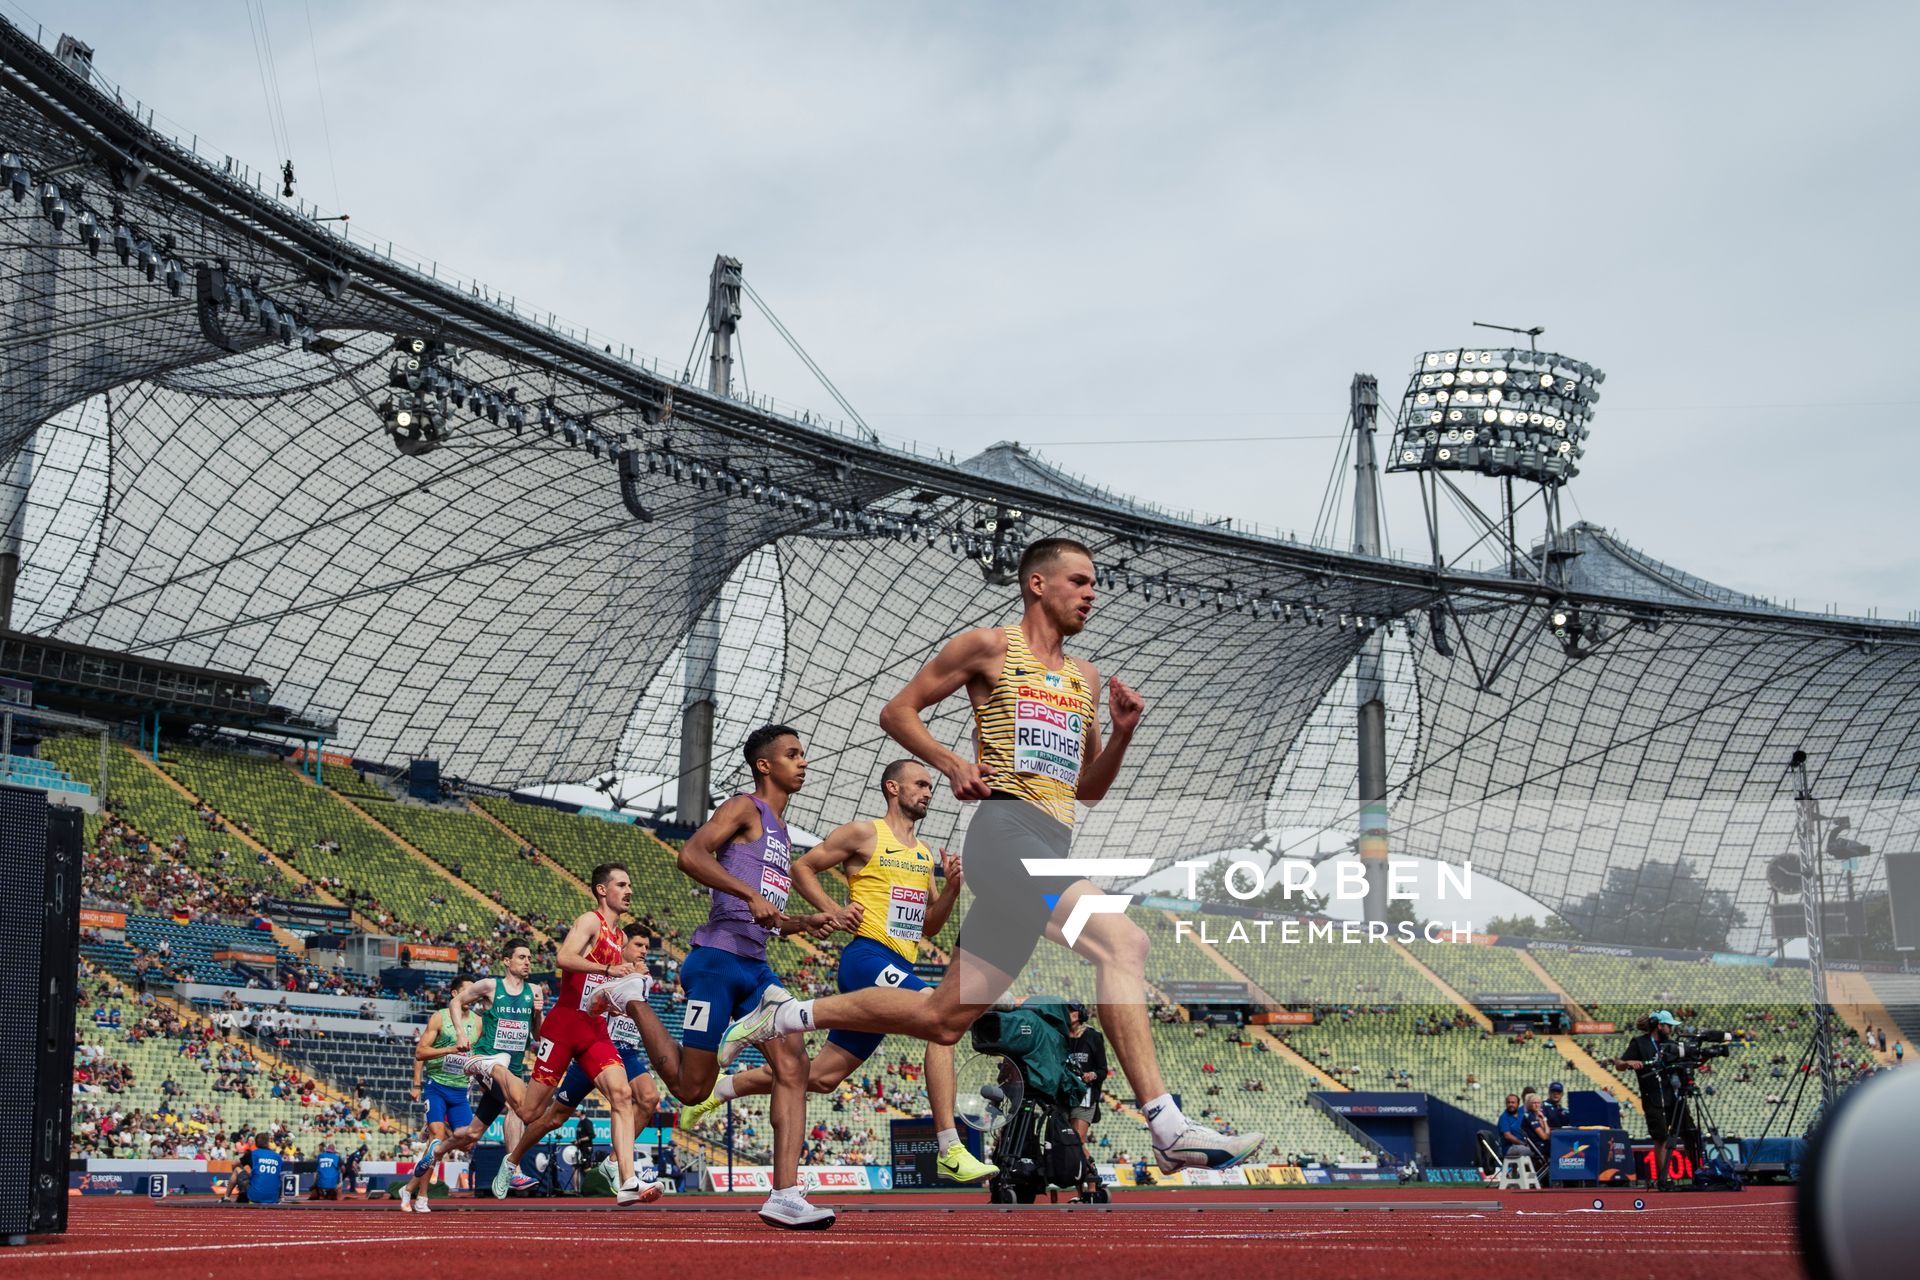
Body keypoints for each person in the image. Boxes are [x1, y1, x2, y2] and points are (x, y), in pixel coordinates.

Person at [719, 539, 1263, 1174]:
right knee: (1124, 943)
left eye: (1095, 584)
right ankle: (1167, 1127)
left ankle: (786, 1014)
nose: (1093, 594)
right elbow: (897, 710)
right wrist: (952, 762)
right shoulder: (989, 647)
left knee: (942, 1019)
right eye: (1081, 581)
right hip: (1005, 835)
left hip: (1050, 842)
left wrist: (1120, 734)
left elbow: (1088, 788)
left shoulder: (1085, 678)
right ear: (1038, 584)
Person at [678, 758, 996, 1185]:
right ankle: (949, 1148)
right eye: (920, 783)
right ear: (893, 788)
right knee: (941, 1018)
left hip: (900, 962)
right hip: (867, 959)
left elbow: (930, 926)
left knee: (821, 1078)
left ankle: (722, 1089)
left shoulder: (923, 856)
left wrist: (952, 889)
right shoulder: (865, 833)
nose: (928, 791)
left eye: (930, 786)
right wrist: (833, 910)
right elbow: (802, 867)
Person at [589, 724, 843, 1230]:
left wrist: (804, 922)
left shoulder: (782, 834)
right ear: (764, 765)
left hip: (755, 966)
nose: (803, 762)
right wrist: (749, 894)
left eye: (803, 755)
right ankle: (633, 998)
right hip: (715, 963)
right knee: (689, 1088)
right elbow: (691, 855)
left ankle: (785, 1194)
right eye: (793, 754)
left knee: (794, 1066)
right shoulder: (743, 806)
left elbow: (765, 915)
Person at [512, 863, 649, 1206]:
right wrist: (608, 969)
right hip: (565, 1023)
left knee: (621, 1094)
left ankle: (627, 1180)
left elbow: (603, 991)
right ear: (603, 890)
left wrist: (621, 987)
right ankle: (495, 1070)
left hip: (593, 1028)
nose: (629, 890)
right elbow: (564, 958)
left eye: (630, 884)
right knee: (530, 1113)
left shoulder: (620, 938)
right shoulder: (591, 921)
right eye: (621, 884)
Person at [497, 924, 664, 1198]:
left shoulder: (640, 976)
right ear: (622, 948)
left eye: (647, 947)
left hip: (621, 1050)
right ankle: (512, 1159)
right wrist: (615, 986)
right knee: (551, 1117)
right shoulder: (606, 968)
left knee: (646, 1098)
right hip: (590, 1046)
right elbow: (588, 1001)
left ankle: (617, 1167)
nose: (644, 952)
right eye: (639, 946)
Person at [446, 938, 547, 1198]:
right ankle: (515, 1171)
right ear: (506, 960)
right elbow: (455, 1003)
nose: (527, 962)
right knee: (517, 1105)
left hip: (513, 1067)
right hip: (487, 1062)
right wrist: (460, 1033)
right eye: (521, 957)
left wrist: (538, 1013)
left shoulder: (535, 990)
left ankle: (439, 1146)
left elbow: (537, 1035)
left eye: (529, 958)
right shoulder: (491, 986)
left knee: (472, 1133)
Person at [398, 974, 484, 1213]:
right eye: (468, 991)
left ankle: (408, 1188)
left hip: (460, 1091)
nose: (473, 995)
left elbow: (476, 1054)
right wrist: (416, 1084)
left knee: (466, 1142)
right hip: (436, 1086)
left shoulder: (478, 1022)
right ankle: (422, 1197)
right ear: (455, 994)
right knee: (436, 1137)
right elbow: (420, 1052)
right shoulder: (440, 1018)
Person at [1609, 1010, 1691, 1191]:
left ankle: (1699, 1173)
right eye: (1668, 1025)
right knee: (1660, 1138)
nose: (1671, 1029)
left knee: (1689, 1132)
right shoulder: (1639, 1043)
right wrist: (1629, 1063)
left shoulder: (1672, 1043)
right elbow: (1619, 1064)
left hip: (1675, 1096)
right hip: (1652, 1097)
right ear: (1659, 1026)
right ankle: (1665, 1178)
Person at [1064, 1000, 1109, 1187]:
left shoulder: (1093, 1036)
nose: (1068, 1013)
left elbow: (1103, 1070)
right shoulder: (1060, 1037)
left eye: (1072, 1010)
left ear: (1080, 1014)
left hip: (1085, 1095)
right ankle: (1082, 1189)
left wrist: (1093, 1075)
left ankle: (1092, 1183)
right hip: (1064, 1094)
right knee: (1067, 1142)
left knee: (1077, 1139)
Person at [225, 1131, 283, 1205]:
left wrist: (237, 1180)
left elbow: (234, 1164)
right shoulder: (278, 1157)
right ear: (268, 1143)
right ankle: (281, 1198)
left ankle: (226, 1197)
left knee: (237, 1170)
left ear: (256, 1143)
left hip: (255, 1196)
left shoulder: (253, 1154)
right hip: (274, 1198)